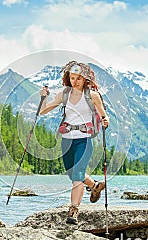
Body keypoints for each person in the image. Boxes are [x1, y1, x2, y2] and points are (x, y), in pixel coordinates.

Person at [39, 61, 109, 225]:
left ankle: (73, 211)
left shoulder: (92, 95)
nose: (75, 81)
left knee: (77, 176)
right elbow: (43, 110)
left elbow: (104, 115)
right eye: (72, 78)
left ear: (85, 79)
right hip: (67, 140)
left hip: (84, 140)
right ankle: (94, 186)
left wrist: (105, 121)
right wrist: (44, 97)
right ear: (68, 78)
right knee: (72, 173)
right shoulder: (63, 95)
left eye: (78, 78)